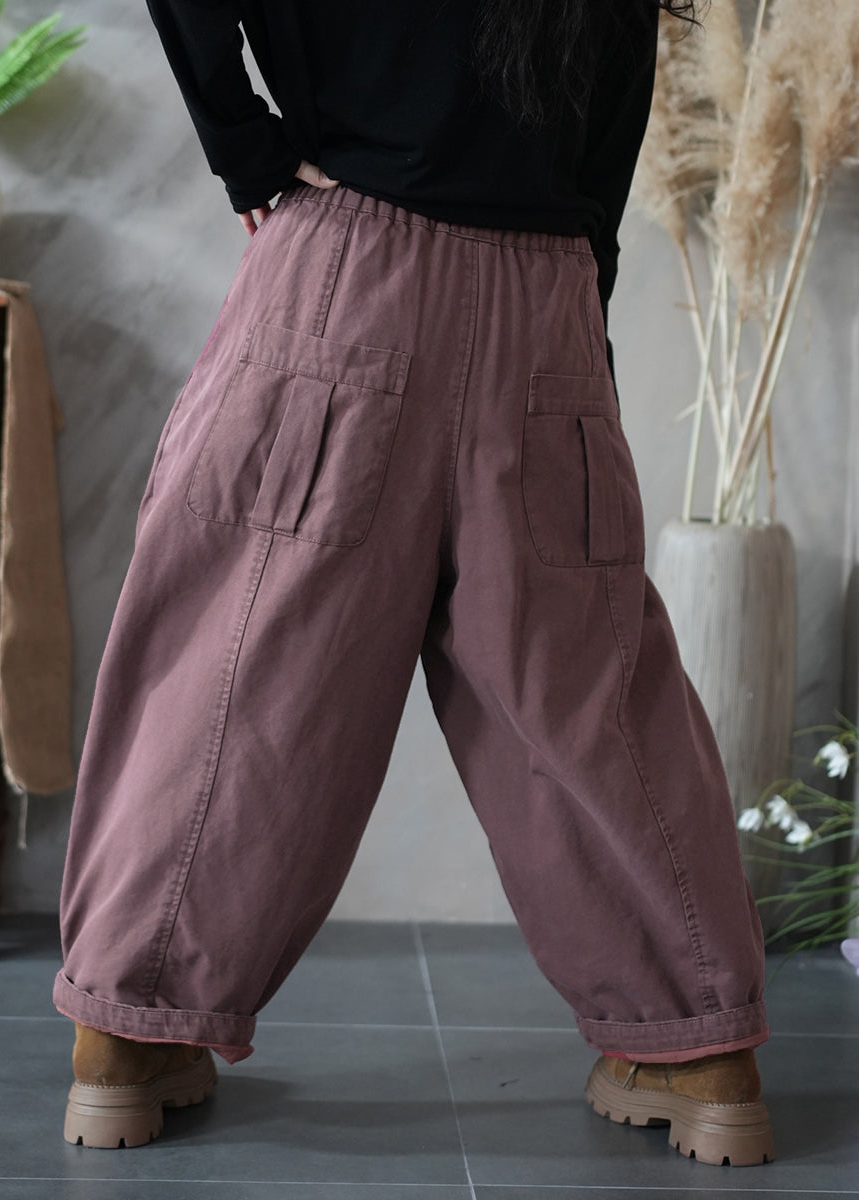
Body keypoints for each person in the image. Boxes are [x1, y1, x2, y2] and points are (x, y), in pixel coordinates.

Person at [54, 0, 775, 1167]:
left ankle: (129, 1037)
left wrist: (242, 143)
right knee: (586, 691)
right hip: (544, 296)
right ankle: (698, 1047)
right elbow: (614, 112)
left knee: (239, 664)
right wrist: (576, 319)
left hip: (346, 273)